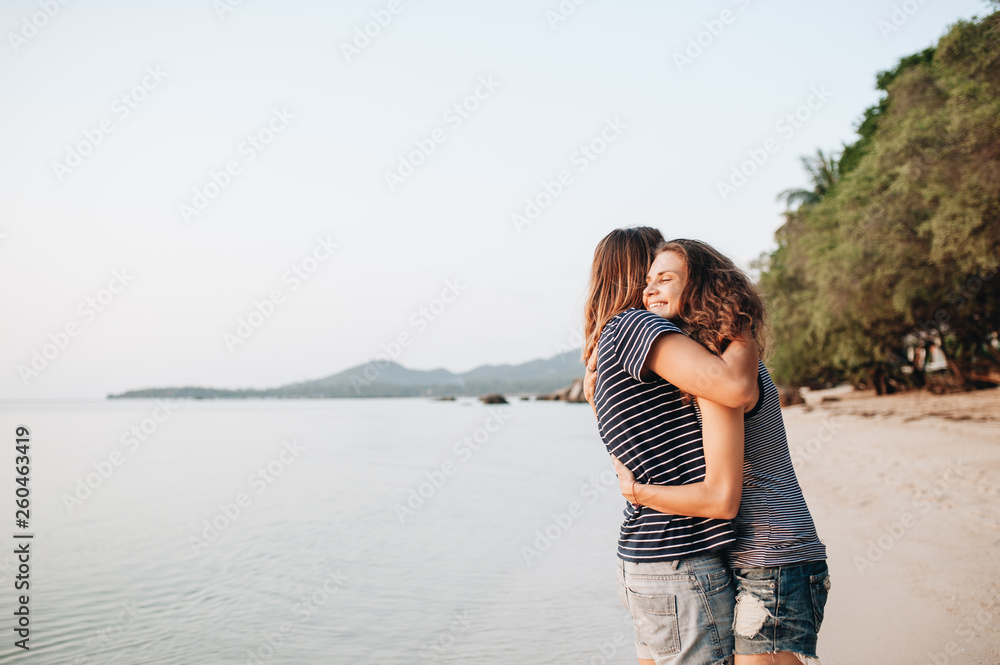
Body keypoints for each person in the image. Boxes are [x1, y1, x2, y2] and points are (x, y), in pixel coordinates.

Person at [600, 239, 830, 665]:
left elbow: (721, 495)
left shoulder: (725, 365)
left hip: (773, 556)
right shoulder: (719, 357)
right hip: (749, 555)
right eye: (648, 279)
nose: (649, 289)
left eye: (665, 278)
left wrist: (639, 492)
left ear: (700, 286)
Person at [583, 227, 760, 665]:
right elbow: (735, 388)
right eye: (654, 271)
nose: (656, 284)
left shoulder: (608, 346)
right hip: (680, 557)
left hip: (644, 558)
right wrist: (737, 316)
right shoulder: (637, 326)